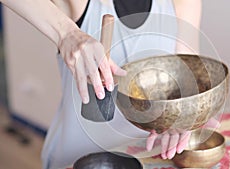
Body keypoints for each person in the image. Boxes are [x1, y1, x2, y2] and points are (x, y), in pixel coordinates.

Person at [0, 0, 203, 168]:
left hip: (149, 156)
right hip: (76, 159)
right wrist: (66, 33)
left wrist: (183, 117)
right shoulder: (82, 4)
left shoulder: (182, 3)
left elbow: (186, 84)